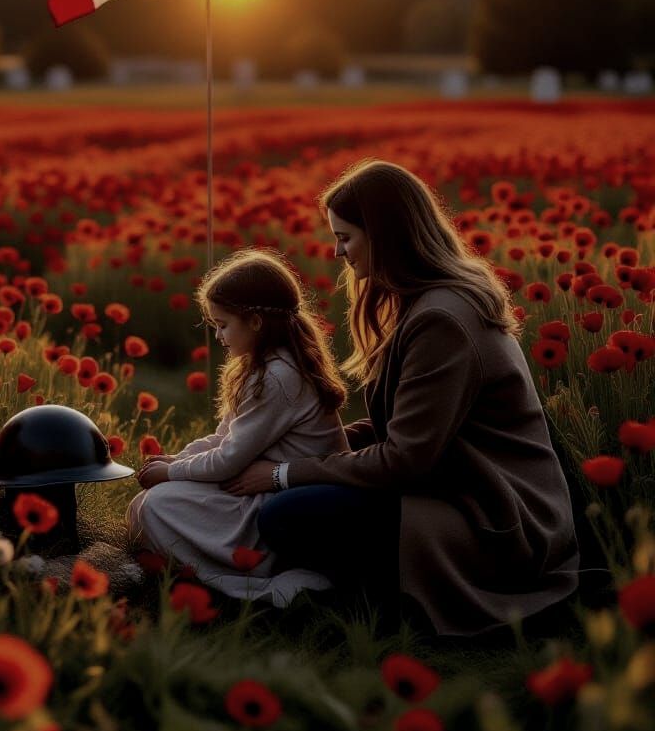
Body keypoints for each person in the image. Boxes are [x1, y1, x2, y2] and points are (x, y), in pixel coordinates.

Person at [223, 160, 581, 637]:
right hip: (455, 484)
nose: (337, 251)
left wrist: (284, 472)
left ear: (385, 233)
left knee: (288, 513)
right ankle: (355, 589)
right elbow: (411, 424)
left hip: (495, 515)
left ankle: (376, 604)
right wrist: (311, 441)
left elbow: (406, 458)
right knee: (298, 505)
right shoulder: (426, 301)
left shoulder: (443, 321)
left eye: (346, 237)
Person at [126, 247, 350, 606]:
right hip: (255, 488)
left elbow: (228, 459)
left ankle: (253, 589)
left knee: (155, 507)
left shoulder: (279, 377)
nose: (218, 336)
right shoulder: (264, 366)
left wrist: (172, 473)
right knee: (147, 505)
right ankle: (227, 576)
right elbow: (223, 437)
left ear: (256, 322)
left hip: (288, 502)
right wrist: (176, 461)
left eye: (223, 325)